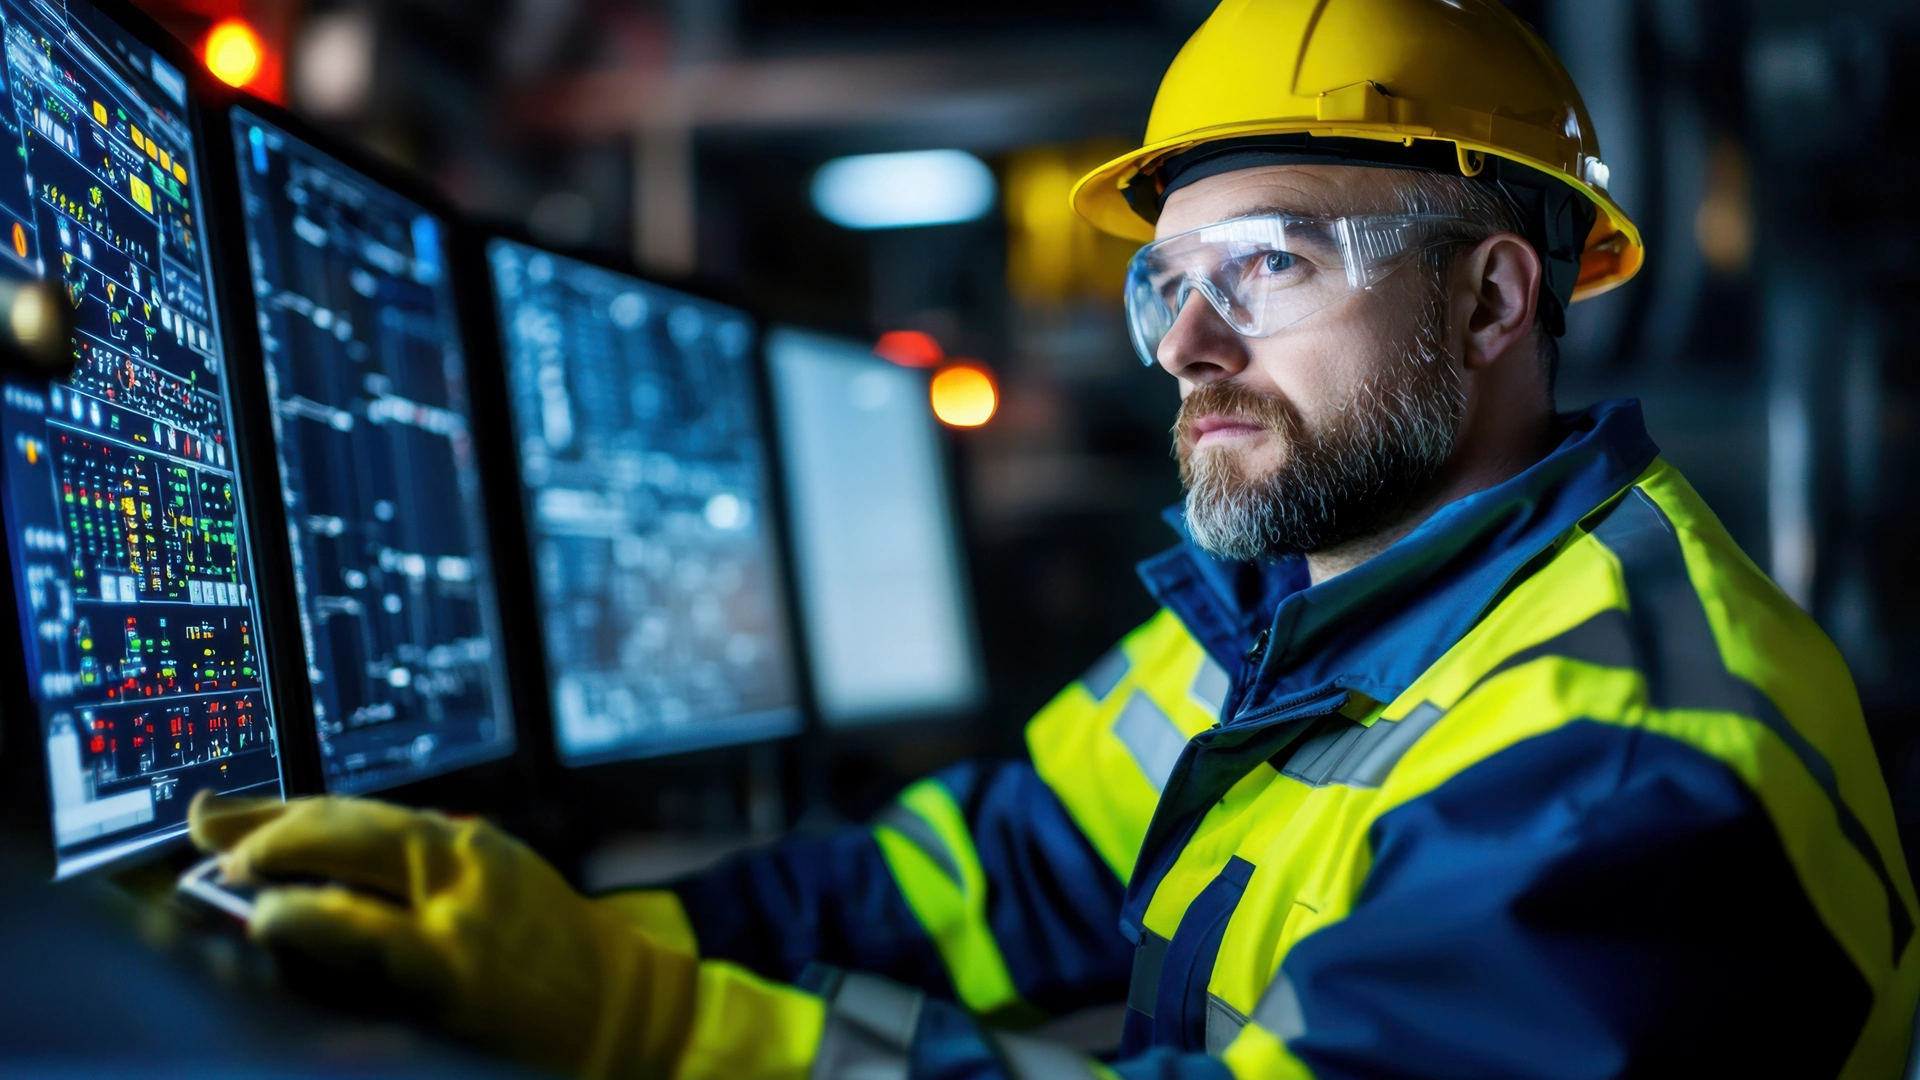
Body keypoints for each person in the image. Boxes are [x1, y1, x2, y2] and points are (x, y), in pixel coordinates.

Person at [187, 0, 1920, 1076]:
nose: (1183, 347)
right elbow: (983, 879)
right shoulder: (1294, 622)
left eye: (1275, 268)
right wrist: (546, 933)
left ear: (1490, 297)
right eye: (1169, 280)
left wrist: (638, 1030)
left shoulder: (1625, 765)